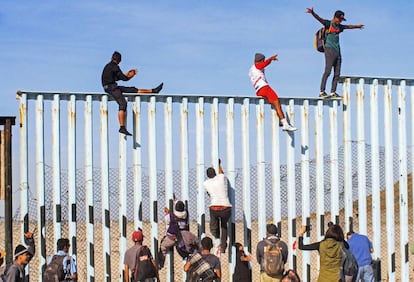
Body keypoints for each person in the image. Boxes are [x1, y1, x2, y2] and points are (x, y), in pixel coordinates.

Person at [101, 51, 163, 136]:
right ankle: (122, 127)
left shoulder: (108, 66)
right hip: (111, 87)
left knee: (132, 89)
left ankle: (153, 91)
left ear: (112, 58)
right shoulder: (115, 67)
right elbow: (124, 78)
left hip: (110, 86)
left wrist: (127, 74)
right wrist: (132, 74)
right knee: (123, 104)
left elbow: (118, 77)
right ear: (119, 60)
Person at [306, 8, 364, 98]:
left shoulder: (339, 27)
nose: (340, 21)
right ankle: (322, 91)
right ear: (335, 17)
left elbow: (348, 26)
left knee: (337, 73)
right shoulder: (329, 24)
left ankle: (333, 92)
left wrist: (358, 26)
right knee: (327, 71)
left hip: (338, 51)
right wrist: (313, 13)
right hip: (329, 50)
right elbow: (319, 19)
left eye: (342, 20)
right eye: (340, 19)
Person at [248, 53, 297, 132]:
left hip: (258, 90)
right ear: (261, 60)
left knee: (274, 103)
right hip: (264, 87)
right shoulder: (258, 66)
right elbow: (262, 65)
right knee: (277, 103)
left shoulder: (251, 69)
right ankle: (285, 124)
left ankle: (281, 120)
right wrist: (270, 59)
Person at [203, 159, 232, 256]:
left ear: (207, 175)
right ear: (215, 173)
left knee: (213, 225)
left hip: (214, 207)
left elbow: (208, 193)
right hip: (225, 207)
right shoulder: (220, 178)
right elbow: (221, 172)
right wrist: (218, 164)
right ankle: (223, 246)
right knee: (224, 226)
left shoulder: (206, 183)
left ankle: (216, 236)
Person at [158, 200, 191, 268]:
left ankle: (160, 263)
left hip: (172, 238)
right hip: (183, 238)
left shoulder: (171, 216)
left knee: (163, 246)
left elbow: (167, 221)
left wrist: (168, 213)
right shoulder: (186, 214)